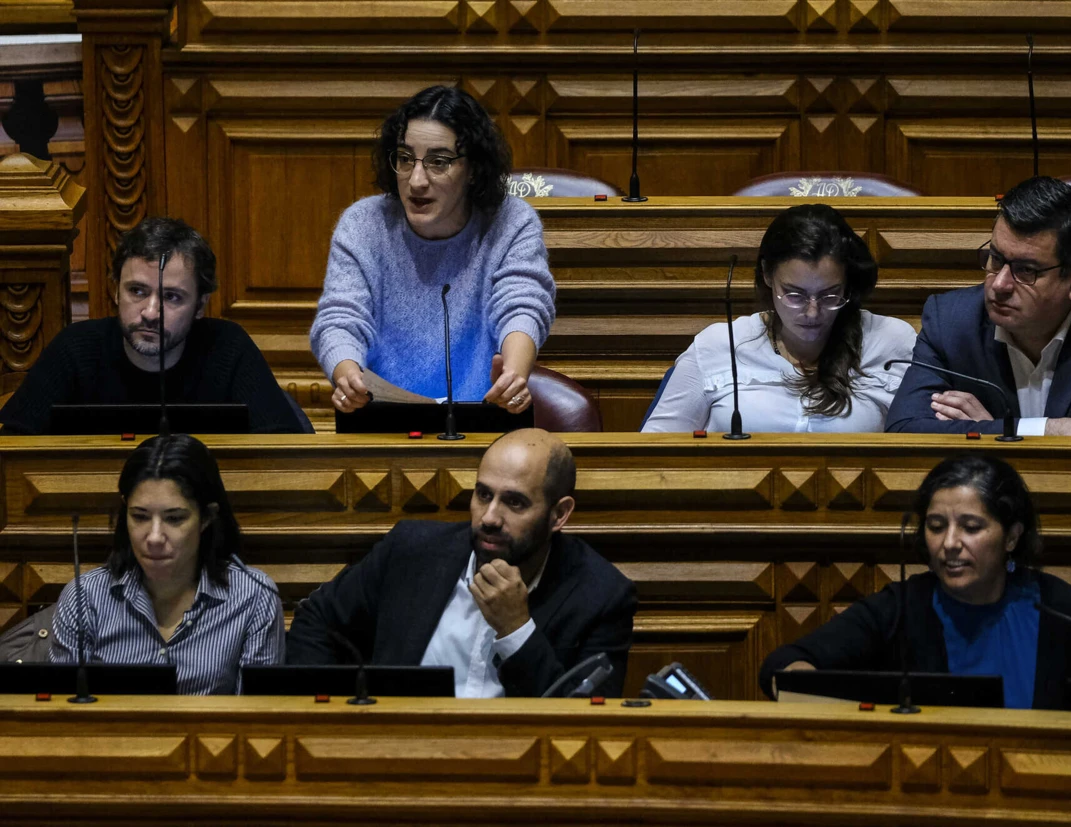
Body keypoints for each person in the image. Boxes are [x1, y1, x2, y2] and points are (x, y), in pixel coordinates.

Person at [286, 428, 636, 698]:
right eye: (483, 495)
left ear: (559, 515)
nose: (490, 517)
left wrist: (517, 631)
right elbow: (317, 621)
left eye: (514, 503)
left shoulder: (601, 596)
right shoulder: (411, 552)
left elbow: (586, 726)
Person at [759, 454, 1071, 709]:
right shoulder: (900, 608)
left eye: (971, 527)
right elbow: (782, 666)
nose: (949, 543)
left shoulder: (1060, 610)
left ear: (1011, 537)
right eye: (936, 527)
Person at [311, 85, 555, 417]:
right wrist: (347, 375)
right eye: (405, 159)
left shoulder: (511, 222)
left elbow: (522, 303)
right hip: (382, 417)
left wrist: (513, 374)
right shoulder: (364, 225)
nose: (416, 180)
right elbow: (341, 318)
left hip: (482, 418)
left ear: (472, 169)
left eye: (439, 162)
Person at [885, 176, 1071, 437]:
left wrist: (990, 430)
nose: (999, 284)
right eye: (996, 259)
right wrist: (1031, 431)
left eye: (1026, 270)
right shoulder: (950, 319)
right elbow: (904, 427)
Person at [0, 217, 305, 434]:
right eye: (137, 291)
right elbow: (13, 447)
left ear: (200, 306)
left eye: (172, 297)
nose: (150, 312)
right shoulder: (75, 350)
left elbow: (283, 449)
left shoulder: (228, 347)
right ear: (115, 291)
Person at [641, 204, 915, 433]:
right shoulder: (719, 344)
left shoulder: (892, 341)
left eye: (830, 295)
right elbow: (654, 451)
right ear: (768, 275)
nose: (812, 312)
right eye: (794, 294)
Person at [49, 434, 285, 694]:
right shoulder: (85, 596)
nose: (154, 537)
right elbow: (63, 718)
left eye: (174, 518)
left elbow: (257, 719)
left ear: (207, 517)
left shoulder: (254, 596)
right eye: (140, 517)